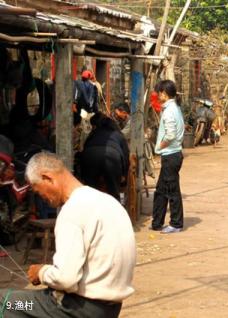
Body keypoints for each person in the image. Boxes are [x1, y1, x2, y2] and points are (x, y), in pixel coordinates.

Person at [0, 152, 136, 317]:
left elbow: (66, 279)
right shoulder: (109, 202)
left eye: (38, 191)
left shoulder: (72, 211)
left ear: (47, 178)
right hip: (110, 308)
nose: (41, 198)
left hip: (77, 308)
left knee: (6, 301)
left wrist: (41, 272)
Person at [151, 80, 185, 234]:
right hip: (172, 155)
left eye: (159, 93)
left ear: (164, 93)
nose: (158, 96)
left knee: (172, 190)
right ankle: (157, 222)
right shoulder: (173, 108)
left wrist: (159, 147)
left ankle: (176, 224)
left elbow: (170, 134)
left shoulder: (170, 111)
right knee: (161, 190)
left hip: (171, 155)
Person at [80, 113, 130, 201]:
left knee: (90, 192)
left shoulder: (93, 134)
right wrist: (124, 177)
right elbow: (126, 156)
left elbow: (84, 149)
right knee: (114, 193)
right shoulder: (118, 135)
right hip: (112, 156)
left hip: (90, 155)